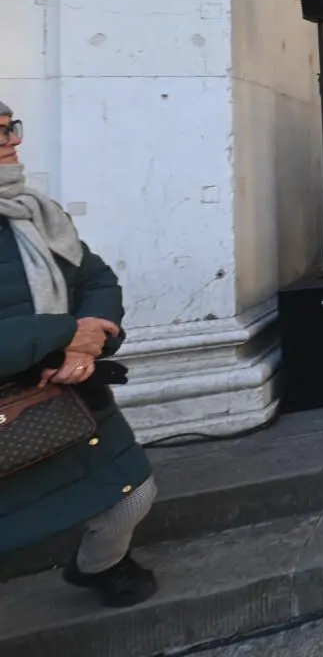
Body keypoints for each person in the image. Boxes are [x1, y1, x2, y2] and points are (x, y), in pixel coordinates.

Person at [0, 102, 158, 606]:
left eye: (10, 127)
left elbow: (94, 276)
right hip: (11, 401)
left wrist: (92, 336)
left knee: (131, 495)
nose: (11, 140)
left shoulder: (37, 211)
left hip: (71, 390)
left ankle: (102, 564)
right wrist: (66, 332)